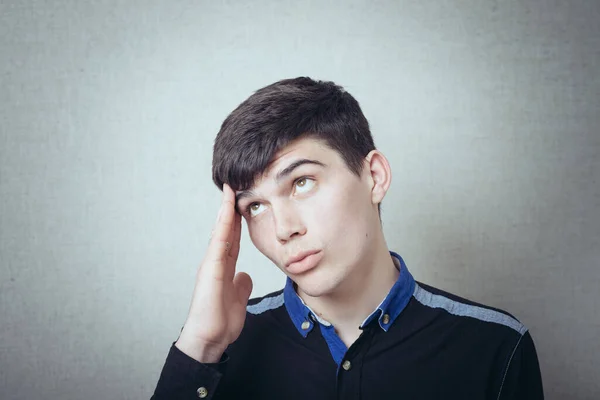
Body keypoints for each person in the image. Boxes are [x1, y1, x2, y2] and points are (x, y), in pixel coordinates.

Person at [151, 77, 544, 399]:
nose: (283, 229)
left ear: (374, 176)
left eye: (302, 182)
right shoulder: (218, 349)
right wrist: (199, 349)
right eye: (254, 207)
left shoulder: (496, 346)